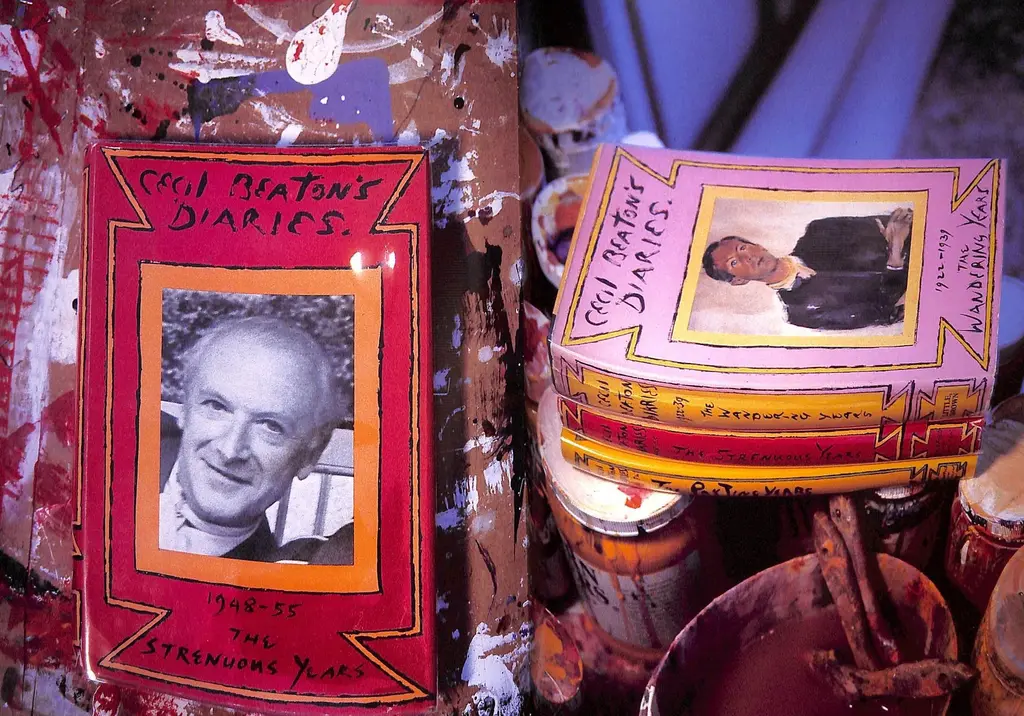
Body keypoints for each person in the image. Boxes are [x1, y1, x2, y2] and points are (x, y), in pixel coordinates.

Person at [158, 315, 354, 564]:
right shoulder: (120, 434)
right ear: (185, 409)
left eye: (271, 426)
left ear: (310, 457)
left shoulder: (267, 577)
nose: (230, 451)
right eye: (217, 406)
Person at [701, 207, 914, 331]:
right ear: (738, 281)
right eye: (734, 263)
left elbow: (898, 223)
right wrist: (894, 251)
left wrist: (898, 236)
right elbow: (886, 313)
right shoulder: (799, 312)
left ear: (758, 245)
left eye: (742, 248)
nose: (747, 256)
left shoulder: (820, 230)